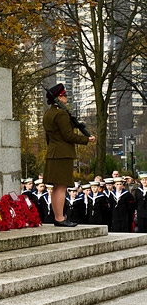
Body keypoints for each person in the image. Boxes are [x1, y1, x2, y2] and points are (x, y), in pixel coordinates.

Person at [43, 83, 96, 227]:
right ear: (59, 97)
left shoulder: (48, 113)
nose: (66, 97)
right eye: (65, 95)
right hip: (62, 154)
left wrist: (74, 124)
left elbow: (53, 135)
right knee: (61, 187)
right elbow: (68, 136)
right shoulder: (61, 113)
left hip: (53, 153)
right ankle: (60, 218)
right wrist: (86, 139)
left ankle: (58, 216)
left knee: (56, 188)